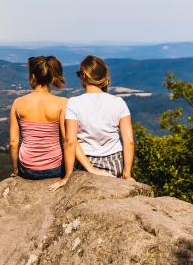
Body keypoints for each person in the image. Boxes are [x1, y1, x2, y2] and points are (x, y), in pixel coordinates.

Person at [10, 56, 107, 180]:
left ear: (32, 77)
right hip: (55, 168)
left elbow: (13, 142)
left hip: (28, 168)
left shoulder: (18, 103)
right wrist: (82, 170)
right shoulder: (62, 103)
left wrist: (15, 170)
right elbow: (68, 139)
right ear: (51, 79)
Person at [50, 55, 135, 190]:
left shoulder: (74, 103)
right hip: (115, 165)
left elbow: (70, 141)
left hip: (85, 165)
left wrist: (67, 177)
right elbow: (129, 140)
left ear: (83, 75)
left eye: (79, 74)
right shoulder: (119, 102)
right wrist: (126, 174)